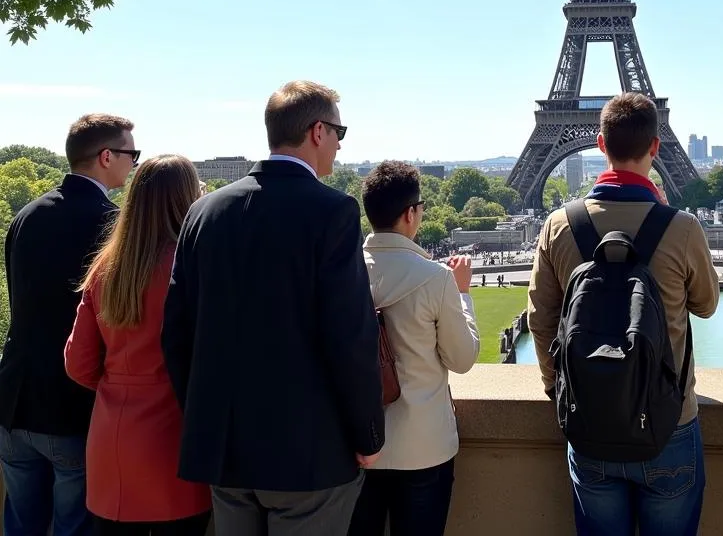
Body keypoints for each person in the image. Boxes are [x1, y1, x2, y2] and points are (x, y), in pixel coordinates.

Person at [162, 81, 383, 536]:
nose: (341, 145)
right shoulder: (333, 211)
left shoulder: (204, 211)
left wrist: (204, 418)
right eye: (340, 132)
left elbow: (177, 334)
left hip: (224, 448)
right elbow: (348, 336)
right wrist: (367, 435)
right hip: (307, 453)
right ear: (317, 131)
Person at [527, 93, 720, 536]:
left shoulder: (559, 225)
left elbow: (540, 319)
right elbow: (708, 306)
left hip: (590, 416)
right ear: (656, 146)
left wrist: (555, 387)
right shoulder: (683, 227)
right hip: (669, 422)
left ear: (599, 143)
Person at [0, 113, 134, 536]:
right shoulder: (112, 226)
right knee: (73, 527)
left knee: (20, 524)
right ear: (106, 156)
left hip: (13, 398)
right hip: (70, 405)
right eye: (132, 154)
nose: (134, 164)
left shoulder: (26, 216)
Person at [65, 155, 211, 536]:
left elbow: (78, 363)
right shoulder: (194, 264)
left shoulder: (105, 267)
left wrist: (123, 385)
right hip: (176, 435)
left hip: (113, 438)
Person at [349, 161, 480, 536]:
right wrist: (464, 294)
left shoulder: (344, 273)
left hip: (359, 448)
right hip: (424, 448)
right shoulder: (436, 279)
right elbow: (462, 358)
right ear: (410, 214)